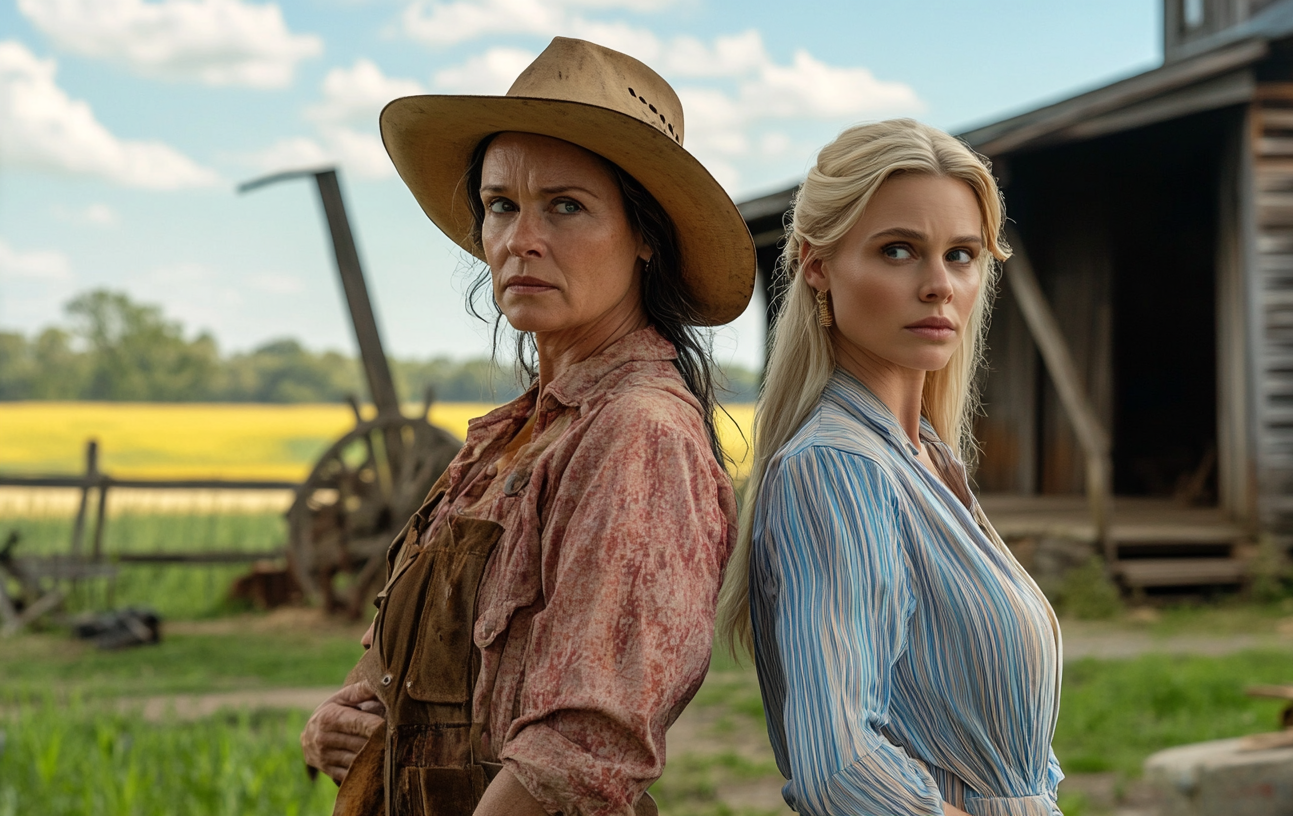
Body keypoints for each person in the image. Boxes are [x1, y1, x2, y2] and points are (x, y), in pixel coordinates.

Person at [300, 37, 756, 816]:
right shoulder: (507, 436)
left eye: (566, 206)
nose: (521, 239)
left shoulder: (637, 436)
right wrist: (345, 720)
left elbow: (580, 752)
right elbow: (412, 669)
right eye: (501, 205)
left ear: (645, 235)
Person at [716, 119, 1064, 816]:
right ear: (817, 266)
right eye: (899, 250)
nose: (939, 285)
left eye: (961, 255)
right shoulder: (838, 469)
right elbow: (841, 766)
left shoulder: (924, 460)